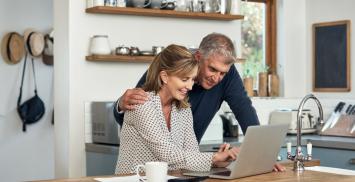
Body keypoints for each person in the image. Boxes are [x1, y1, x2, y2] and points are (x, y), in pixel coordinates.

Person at [114, 33, 285, 172]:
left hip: (174, 173)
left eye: (223, 73)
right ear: (198, 57)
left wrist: (262, 156)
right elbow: (134, 109)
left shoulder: (183, 108)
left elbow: (244, 109)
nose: (217, 78)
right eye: (212, 69)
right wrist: (121, 105)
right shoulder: (163, 78)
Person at [115, 44, 239, 174]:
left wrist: (217, 163)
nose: (190, 87)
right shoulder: (142, 104)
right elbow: (167, 154)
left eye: (192, 79)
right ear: (164, 76)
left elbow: (191, 155)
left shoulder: (183, 109)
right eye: (184, 79)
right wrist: (214, 158)